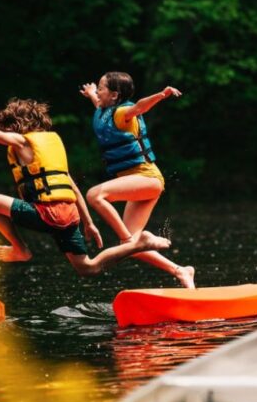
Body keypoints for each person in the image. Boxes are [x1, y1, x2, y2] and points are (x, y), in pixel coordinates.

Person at [0, 98, 172, 276]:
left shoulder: (22, 142)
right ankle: (139, 244)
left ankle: (20, 249)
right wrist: (88, 223)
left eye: (8, 127)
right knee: (88, 267)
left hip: (47, 213)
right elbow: (71, 187)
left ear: (16, 125)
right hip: (70, 215)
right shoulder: (52, 142)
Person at [79, 71, 195, 288]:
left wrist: (161, 94)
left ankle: (134, 240)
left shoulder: (123, 113)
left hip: (147, 178)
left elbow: (140, 106)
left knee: (95, 195)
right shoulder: (104, 109)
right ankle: (181, 271)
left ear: (114, 95)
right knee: (129, 248)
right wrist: (91, 93)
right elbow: (97, 102)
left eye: (101, 88)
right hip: (139, 183)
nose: (98, 91)